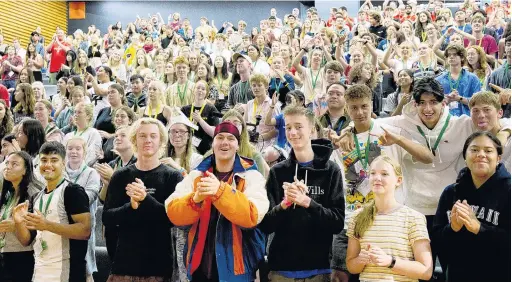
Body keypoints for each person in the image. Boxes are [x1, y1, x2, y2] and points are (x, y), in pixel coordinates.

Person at [330, 84, 434, 281]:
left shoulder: (389, 131)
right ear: (347, 109)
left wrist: (399, 140)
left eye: (364, 106)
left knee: (388, 274)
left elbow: (428, 158)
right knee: (341, 276)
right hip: (353, 219)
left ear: (372, 105)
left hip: (390, 220)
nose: (359, 112)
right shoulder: (343, 138)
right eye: (353, 107)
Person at [165, 121, 269, 282]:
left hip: (237, 272)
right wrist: (195, 200)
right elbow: (173, 212)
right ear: (213, 143)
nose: (225, 142)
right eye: (220, 137)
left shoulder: (252, 177)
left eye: (230, 138)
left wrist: (220, 192)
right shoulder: (196, 176)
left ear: (238, 145)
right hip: (200, 269)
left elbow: (252, 215)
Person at [257, 104, 345, 282]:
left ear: (312, 129)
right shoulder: (277, 172)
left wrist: (308, 203)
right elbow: (265, 225)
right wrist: (284, 204)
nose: (293, 133)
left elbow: (337, 223)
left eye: (298, 127)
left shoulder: (331, 170)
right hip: (281, 269)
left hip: (318, 269)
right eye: (288, 127)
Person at [103, 118, 183, 281]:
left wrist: (145, 200)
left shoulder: (172, 177)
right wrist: (131, 206)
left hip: (158, 267)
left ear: (161, 140)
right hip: (123, 264)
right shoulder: (120, 176)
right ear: (134, 140)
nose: (148, 140)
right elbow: (107, 217)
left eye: (153, 136)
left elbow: (173, 219)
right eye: (142, 136)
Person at [433, 132, 511, 282]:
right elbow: (437, 241)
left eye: (488, 151)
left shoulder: (509, 190)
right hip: (459, 275)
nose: (481, 154)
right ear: (465, 157)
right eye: (474, 150)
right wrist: (453, 228)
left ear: (498, 158)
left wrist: (479, 228)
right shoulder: (451, 192)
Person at [12, 141, 91, 282]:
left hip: (68, 271)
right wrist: (18, 223)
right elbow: (26, 240)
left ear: (63, 163)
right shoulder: (36, 197)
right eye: (44, 160)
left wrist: (47, 225)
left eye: (54, 160)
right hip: (40, 269)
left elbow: (85, 231)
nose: (48, 165)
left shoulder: (73, 191)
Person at [346, 155, 433, 281]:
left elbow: (426, 271)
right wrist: (360, 260)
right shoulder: (357, 217)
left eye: (384, 174)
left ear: (398, 180)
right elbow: (351, 266)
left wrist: (390, 261)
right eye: (373, 173)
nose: (377, 178)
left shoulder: (413, 218)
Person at [0, 151, 43, 282]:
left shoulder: (34, 193)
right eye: (7, 163)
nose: (8, 167)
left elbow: (27, 240)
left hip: (22, 257)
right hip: (5, 254)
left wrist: (16, 226)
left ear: (25, 170)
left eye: (14, 164)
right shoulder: (9, 192)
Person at [65, 137, 101, 282]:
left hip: (83, 225)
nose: (74, 152)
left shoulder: (92, 173)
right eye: (70, 148)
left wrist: (67, 200)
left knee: (86, 269)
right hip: (62, 226)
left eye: (78, 149)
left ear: (84, 152)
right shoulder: (60, 171)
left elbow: (90, 196)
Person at [436, 44, 481, 117]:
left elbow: (478, 102)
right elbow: (435, 104)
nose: (451, 56)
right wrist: (447, 99)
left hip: (468, 120)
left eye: (455, 54)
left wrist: (459, 98)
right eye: (449, 54)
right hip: (445, 120)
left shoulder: (473, 78)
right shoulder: (438, 80)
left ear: (462, 58)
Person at [181, 80, 220, 155]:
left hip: (206, 150)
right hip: (187, 148)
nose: (200, 90)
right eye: (198, 88)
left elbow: (214, 133)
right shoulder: (185, 109)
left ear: (206, 93)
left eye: (203, 89)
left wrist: (200, 120)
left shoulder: (211, 109)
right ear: (193, 90)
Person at [62, 102, 103, 166]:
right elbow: (62, 156)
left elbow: (92, 156)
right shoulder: (68, 136)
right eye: (75, 112)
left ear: (88, 116)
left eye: (79, 112)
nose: (75, 115)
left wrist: (77, 168)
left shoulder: (94, 133)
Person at [245, 74, 277, 150]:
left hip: (267, 146)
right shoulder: (249, 103)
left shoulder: (273, 104)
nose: (256, 88)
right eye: (254, 85)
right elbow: (244, 123)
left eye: (259, 85)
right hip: (250, 144)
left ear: (266, 87)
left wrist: (259, 138)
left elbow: (277, 130)